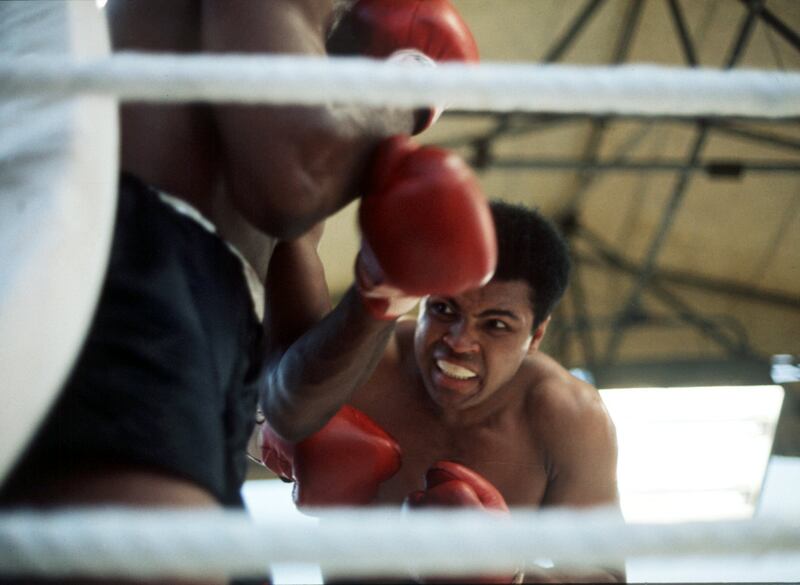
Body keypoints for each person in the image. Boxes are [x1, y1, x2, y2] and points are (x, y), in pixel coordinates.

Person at [0, 1, 492, 584]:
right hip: (142, 263)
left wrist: (381, 296)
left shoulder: (309, 106)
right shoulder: (303, 117)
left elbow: (287, 401)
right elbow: (290, 179)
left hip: (209, 341)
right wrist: (412, 82)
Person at [260, 200, 626, 583]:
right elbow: (246, 395)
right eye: (444, 310)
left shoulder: (567, 415)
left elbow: (606, 576)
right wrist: (265, 436)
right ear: (421, 300)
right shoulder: (360, 367)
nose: (459, 341)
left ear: (535, 336)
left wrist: (509, 574)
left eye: (496, 325)